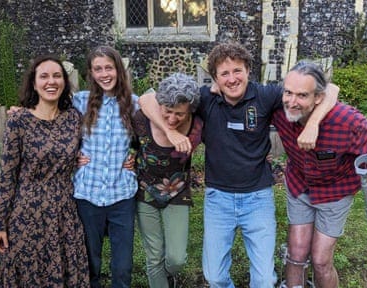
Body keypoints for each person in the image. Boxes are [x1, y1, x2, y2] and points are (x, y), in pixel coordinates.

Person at [139, 42, 339, 288]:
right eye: (224, 73)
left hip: (257, 198)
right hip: (218, 199)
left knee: (264, 280)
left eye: (237, 71)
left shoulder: (265, 95)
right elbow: (147, 99)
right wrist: (171, 134)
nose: (232, 79)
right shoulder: (204, 98)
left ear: (248, 71)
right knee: (215, 277)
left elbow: (330, 88)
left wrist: (313, 124)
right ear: (215, 78)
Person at [272, 60, 367, 288]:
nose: (292, 101)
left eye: (302, 95)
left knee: (321, 259)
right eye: (288, 92)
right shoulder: (279, 109)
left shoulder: (345, 120)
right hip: (299, 185)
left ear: (318, 98)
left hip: (335, 192)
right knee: (296, 252)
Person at [0, 55, 89, 287]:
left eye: (56, 76)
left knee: (66, 269)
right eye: (43, 76)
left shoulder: (74, 119)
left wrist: (131, 157)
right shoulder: (19, 121)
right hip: (26, 215)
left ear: (64, 82)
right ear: (34, 84)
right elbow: (6, 176)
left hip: (65, 212)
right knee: (29, 274)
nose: (51, 82)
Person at [73, 45, 138, 288]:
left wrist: (137, 160)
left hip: (122, 195)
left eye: (109, 68)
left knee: (122, 266)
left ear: (119, 70)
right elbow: (50, 125)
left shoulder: (133, 104)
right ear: (91, 73)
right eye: (98, 69)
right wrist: (72, 156)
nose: (104, 74)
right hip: (87, 194)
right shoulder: (79, 102)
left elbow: (152, 135)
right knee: (90, 262)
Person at [133, 73, 202, 288]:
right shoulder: (141, 119)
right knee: (153, 257)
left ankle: (168, 277)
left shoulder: (198, 125)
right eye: (167, 111)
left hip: (177, 193)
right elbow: (125, 141)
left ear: (190, 109)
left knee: (176, 259)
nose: (172, 119)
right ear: (159, 104)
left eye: (179, 114)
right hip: (144, 192)